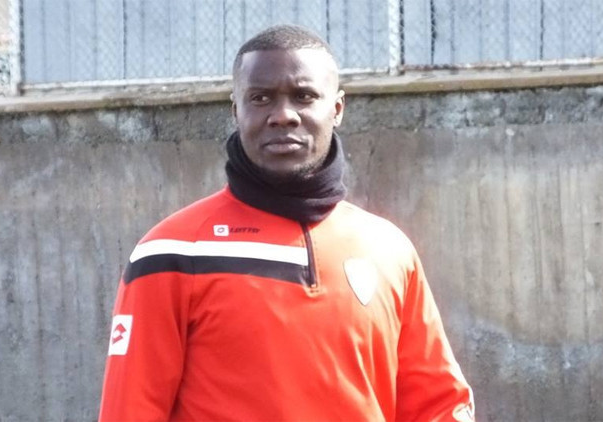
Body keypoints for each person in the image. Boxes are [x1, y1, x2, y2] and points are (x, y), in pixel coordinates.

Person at [99, 24, 474, 422]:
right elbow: (129, 411)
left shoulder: (388, 249)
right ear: (236, 110)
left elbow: (438, 404)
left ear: (337, 109)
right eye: (260, 98)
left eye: (304, 96)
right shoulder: (171, 252)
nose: (283, 116)